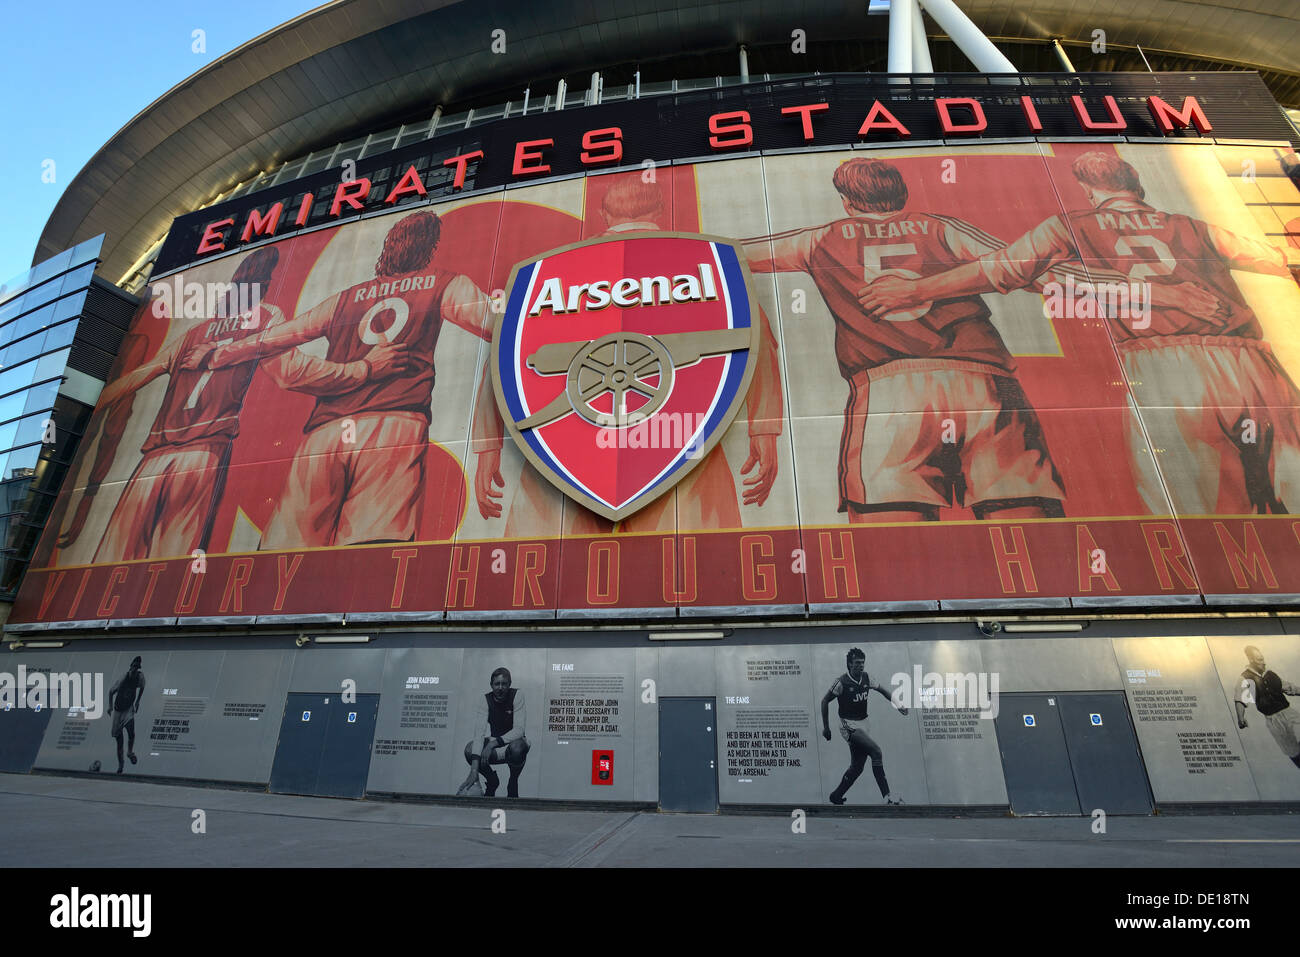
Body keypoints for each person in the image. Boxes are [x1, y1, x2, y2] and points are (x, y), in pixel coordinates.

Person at [857, 149, 1298, 516]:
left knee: (1205, 508)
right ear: (1136, 187)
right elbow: (1277, 257)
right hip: (1253, 360)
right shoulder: (1195, 226)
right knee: (1292, 474)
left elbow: (1002, 269)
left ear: (1089, 190)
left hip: (1165, 363)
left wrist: (917, 289)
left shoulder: (1071, 224)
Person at [743, 157, 1071, 523]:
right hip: (984, 381)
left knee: (895, 541)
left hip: (890, 393)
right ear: (902, 194)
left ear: (847, 202)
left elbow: (734, 254)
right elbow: (1027, 269)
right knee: (1025, 521)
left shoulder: (817, 240)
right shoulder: (942, 228)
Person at [472, 176, 784, 536]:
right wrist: (764, 432)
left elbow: (500, 364)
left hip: (561, 462)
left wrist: (486, 449)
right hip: (685, 446)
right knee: (703, 567)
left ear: (604, 214)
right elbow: (756, 345)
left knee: (540, 576)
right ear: (661, 209)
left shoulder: (549, 277)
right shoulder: (707, 263)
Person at [189, 210, 492, 547]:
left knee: (285, 548)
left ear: (389, 247)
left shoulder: (345, 299)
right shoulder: (445, 283)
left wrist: (221, 353)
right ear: (430, 248)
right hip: (394, 423)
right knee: (370, 549)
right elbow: (502, 326)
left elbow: (278, 337)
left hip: (326, 432)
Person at [83, 247, 406, 561]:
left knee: (111, 561)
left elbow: (133, 378)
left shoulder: (195, 332)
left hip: (152, 459)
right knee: (169, 565)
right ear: (264, 285)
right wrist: (363, 369)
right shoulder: (265, 317)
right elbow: (292, 373)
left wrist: (83, 411)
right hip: (203, 453)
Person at [820, 647, 908, 805]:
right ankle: (887, 796)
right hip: (848, 724)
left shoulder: (867, 678)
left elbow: (883, 691)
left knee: (857, 767)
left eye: (862, 663)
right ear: (849, 664)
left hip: (863, 723)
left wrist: (898, 704)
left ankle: (836, 795)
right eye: (857, 663)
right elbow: (824, 701)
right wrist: (826, 727)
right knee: (876, 752)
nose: (861, 666)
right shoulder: (841, 682)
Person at [458, 667, 529, 797]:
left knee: (518, 748)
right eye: (497, 684)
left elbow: (519, 730)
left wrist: (492, 744)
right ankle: (492, 780)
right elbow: (479, 734)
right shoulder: (485, 700)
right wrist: (474, 771)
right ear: (491, 685)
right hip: (495, 744)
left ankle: (513, 780)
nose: (500, 687)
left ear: (509, 684)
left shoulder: (517, 695)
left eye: (504, 684)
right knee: (469, 749)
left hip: (511, 744)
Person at [1235, 645, 1300, 770]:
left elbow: (1289, 688)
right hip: (1273, 720)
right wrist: (1240, 719)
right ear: (1251, 660)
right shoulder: (1245, 678)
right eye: (1259, 660)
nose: (1263, 662)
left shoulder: (1270, 674)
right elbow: (1240, 699)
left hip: (1288, 713)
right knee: (1291, 750)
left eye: (1262, 658)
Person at [108, 656, 145, 774]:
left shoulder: (140, 677)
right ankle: (121, 764)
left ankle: (130, 752)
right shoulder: (123, 678)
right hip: (118, 710)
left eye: (136, 667)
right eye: (133, 667)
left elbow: (142, 688)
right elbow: (111, 691)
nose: (134, 670)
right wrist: (109, 706)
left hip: (128, 708)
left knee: (131, 732)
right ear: (130, 667)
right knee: (119, 741)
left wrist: (138, 701)